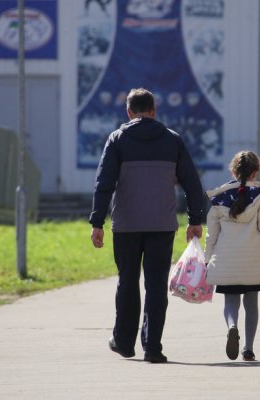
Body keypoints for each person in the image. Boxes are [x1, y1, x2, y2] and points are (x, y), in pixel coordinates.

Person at [89, 88, 205, 364]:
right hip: (161, 225)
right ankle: (153, 347)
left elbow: (103, 183)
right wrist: (195, 220)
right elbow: (191, 182)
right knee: (155, 285)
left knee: (127, 282)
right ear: (153, 111)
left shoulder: (117, 139)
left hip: (126, 225)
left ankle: (124, 342)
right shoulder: (172, 140)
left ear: (128, 112)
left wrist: (97, 222)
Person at [204, 150, 260, 361]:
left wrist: (207, 261)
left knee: (231, 301)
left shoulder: (218, 197)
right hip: (253, 260)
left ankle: (232, 326)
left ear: (232, 171)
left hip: (226, 261)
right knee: (252, 303)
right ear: (255, 172)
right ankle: (248, 348)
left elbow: (211, 235)